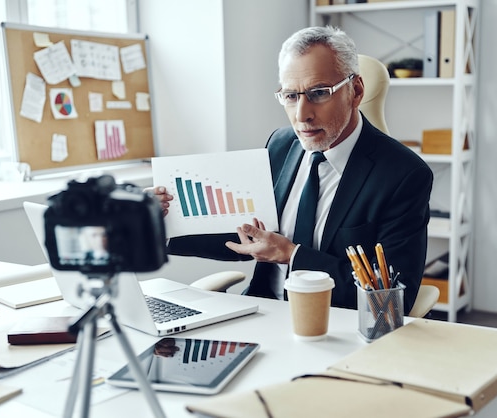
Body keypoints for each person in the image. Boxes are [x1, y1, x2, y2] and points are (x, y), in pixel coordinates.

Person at [152, 26, 432, 314]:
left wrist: (293, 255)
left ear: (356, 90)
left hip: (338, 328)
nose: (302, 116)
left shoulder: (404, 175)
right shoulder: (281, 144)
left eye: (319, 93)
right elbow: (244, 233)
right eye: (290, 96)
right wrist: (162, 223)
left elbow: (390, 299)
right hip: (263, 314)